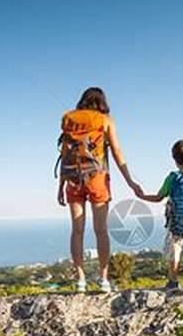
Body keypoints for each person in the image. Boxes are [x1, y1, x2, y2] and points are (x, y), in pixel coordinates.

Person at [56, 87, 142, 293]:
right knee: (101, 230)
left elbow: (64, 154)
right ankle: (104, 280)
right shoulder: (105, 120)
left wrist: (60, 186)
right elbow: (117, 152)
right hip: (97, 179)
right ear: (102, 102)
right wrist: (131, 182)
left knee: (77, 231)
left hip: (72, 180)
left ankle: (80, 281)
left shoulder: (69, 120)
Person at [137, 139, 183, 292]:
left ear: (174, 159)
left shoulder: (172, 178)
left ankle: (173, 282)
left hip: (175, 224)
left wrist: (141, 196)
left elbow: (159, 197)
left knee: (174, 252)